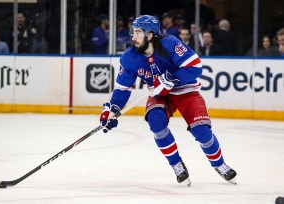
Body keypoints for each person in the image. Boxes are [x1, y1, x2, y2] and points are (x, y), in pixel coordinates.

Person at [99, 15, 237, 185]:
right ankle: (177, 164)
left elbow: (195, 67)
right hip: (160, 94)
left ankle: (219, 164)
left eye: (137, 32)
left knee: (201, 131)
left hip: (185, 89)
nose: (133, 37)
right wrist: (111, 110)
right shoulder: (129, 58)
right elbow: (122, 89)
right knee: (156, 123)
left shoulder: (169, 43)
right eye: (132, 32)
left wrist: (171, 79)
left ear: (150, 35)